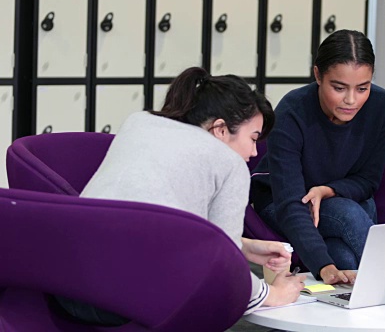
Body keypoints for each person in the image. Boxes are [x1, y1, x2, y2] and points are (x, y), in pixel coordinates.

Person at [56, 67, 306, 326]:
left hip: (65, 283)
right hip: (121, 300)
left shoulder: (139, 123)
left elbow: (164, 224)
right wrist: (274, 294)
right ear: (220, 129)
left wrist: (245, 248)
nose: (255, 152)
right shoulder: (229, 163)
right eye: (253, 138)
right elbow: (225, 270)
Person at [250, 29, 385, 284]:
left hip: (340, 199)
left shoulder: (382, 106)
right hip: (282, 201)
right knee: (348, 217)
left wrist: (327, 190)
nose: (351, 100)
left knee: (345, 259)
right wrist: (323, 266)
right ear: (318, 75)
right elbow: (290, 204)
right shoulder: (292, 111)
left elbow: (368, 181)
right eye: (338, 88)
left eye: (362, 88)